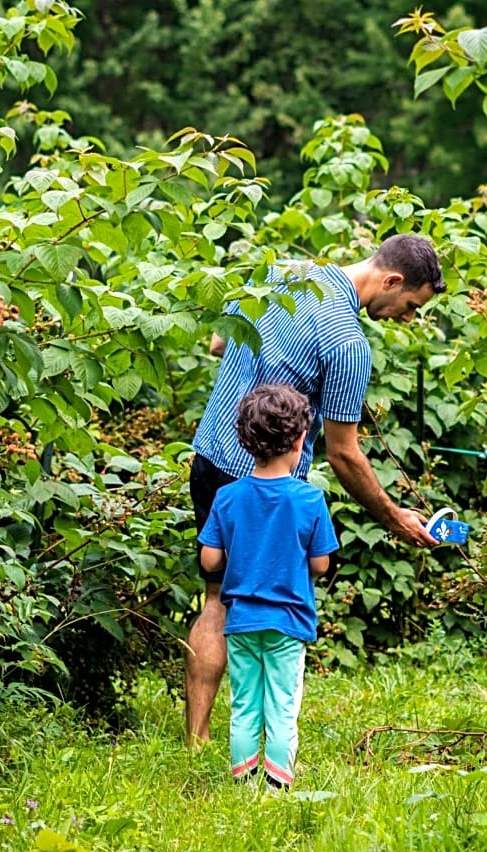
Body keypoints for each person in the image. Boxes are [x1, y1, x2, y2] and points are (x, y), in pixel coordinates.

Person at [187, 233, 446, 744]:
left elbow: (219, 342)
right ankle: (270, 736)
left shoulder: (283, 272)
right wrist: (395, 519)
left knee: (215, 601)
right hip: (274, 490)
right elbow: (343, 453)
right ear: (392, 281)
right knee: (275, 609)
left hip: (212, 457)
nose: (407, 318)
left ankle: (196, 741)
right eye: (411, 306)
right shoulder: (348, 343)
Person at [197, 384, 339, 788]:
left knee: (244, 705)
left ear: (244, 441)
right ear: (299, 441)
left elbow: (209, 560)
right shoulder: (309, 500)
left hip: (240, 621)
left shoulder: (227, 497)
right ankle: (277, 786)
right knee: (281, 707)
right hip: (288, 622)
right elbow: (320, 564)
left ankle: (243, 783)